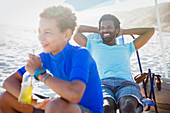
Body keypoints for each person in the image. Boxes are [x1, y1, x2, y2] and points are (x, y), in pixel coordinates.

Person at [0, 5, 103, 113]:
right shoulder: (46, 56)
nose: (40, 37)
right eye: (39, 32)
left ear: (66, 34)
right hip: (61, 107)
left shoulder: (80, 54)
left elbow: (75, 95)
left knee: (55, 106)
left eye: (47, 32)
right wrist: (34, 101)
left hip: (87, 110)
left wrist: (41, 74)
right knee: (5, 98)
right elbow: (8, 82)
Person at [73, 14, 155, 113]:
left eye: (109, 27)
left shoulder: (127, 47)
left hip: (126, 84)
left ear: (117, 30)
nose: (105, 30)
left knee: (128, 105)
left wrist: (124, 31)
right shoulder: (92, 45)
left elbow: (150, 30)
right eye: (102, 28)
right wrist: (96, 29)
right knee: (106, 107)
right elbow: (72, 29)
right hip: (102, 84)